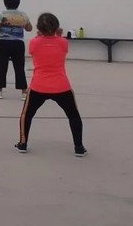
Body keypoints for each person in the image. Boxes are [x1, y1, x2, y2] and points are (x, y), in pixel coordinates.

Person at [16, 12, 86, 157]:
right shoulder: (63, 42)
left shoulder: (34, 42)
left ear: (38, 29)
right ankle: (79, 147)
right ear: (57, 27)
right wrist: (58, 35)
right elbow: (59, 43)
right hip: (61, 86)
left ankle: (23, 144)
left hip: (38, 87)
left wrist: (41, 35)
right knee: (73, 116)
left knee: (26, 115)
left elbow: (37, 44)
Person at [0, 0, 32, 100]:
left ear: (5, 3)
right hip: (18, 44)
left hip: (4, 43)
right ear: (18, 4)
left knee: (2, 66)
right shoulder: (23, 15)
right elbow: (29, 28)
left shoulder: (1, 15)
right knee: (19, 67)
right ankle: (24, 92)